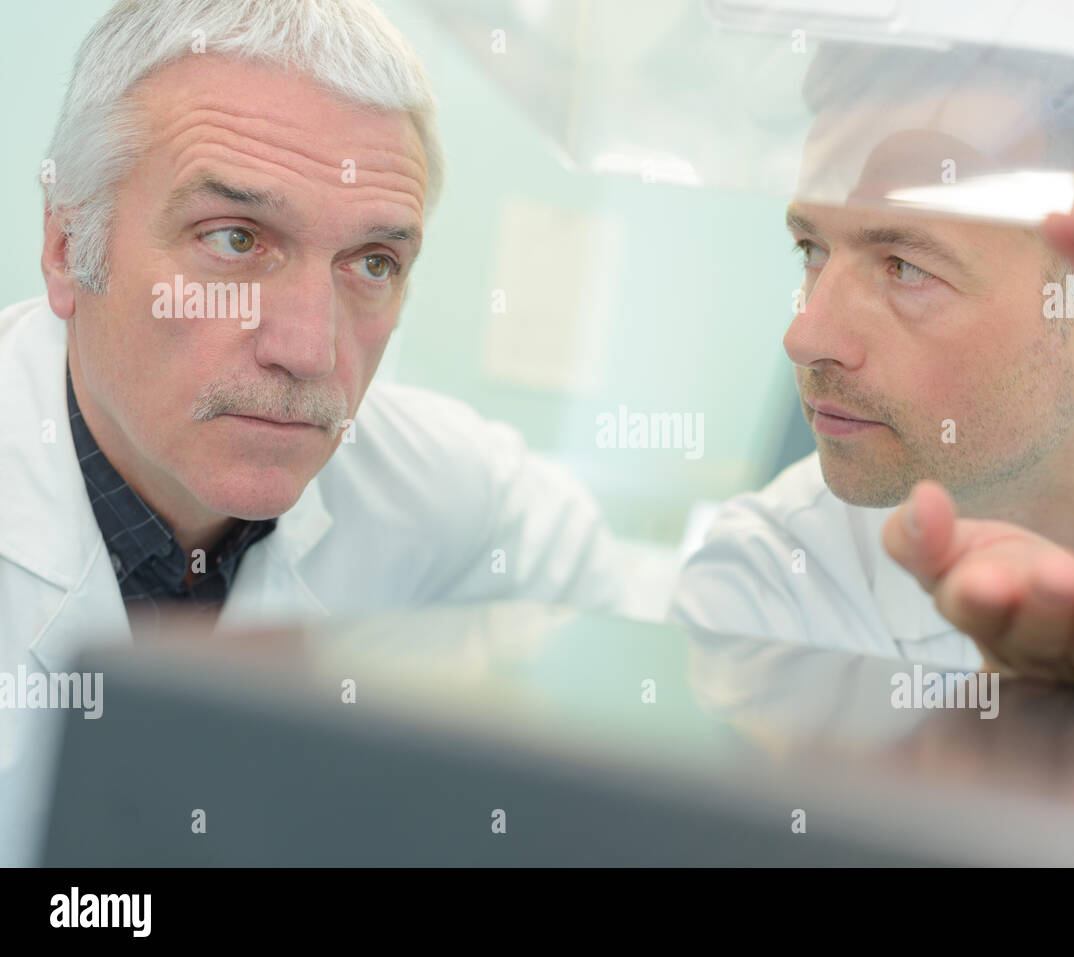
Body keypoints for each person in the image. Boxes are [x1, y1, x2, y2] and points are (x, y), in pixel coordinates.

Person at [0, 0, 625, 865]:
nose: (309, 349)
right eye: (235, 238)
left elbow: (604, 644)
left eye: (373, 263)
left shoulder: (438, 489)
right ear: (69, 247)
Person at [669, 43, 1074, 714]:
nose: (805, 336)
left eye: (905, 266)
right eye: (812, 250)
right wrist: (1014, 730)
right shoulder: (768, 587)